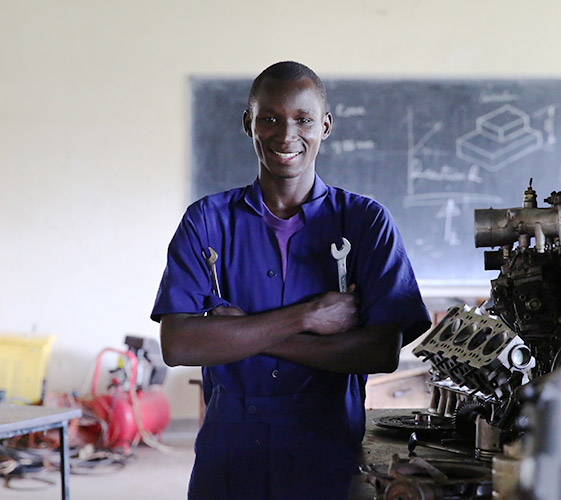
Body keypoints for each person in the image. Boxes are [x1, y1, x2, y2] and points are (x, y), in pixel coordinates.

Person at [151, 61, 431, 500]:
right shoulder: (206, 221)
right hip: (228, 457)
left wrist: (238, 330)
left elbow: (381, 350)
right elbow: (179, 345)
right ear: (249, 124)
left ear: (326, 126)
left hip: (329, 455)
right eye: (270, 119)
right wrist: (309, 315)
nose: (286, 135)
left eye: (303, 120)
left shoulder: (365, 222)